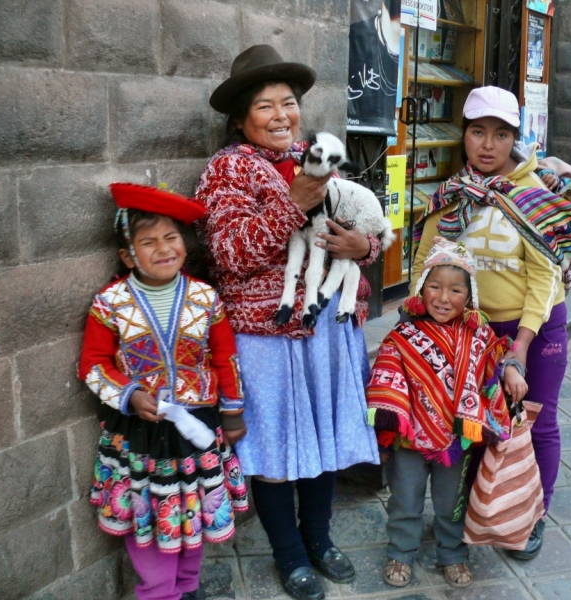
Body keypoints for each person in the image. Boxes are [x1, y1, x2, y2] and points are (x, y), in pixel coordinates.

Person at [411, 85, 571, 561]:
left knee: (537, 421)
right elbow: (425, 262)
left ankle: (535, 514)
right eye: (478, 132)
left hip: (534, 328)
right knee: (475, 424)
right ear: (465, 135)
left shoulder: (532, 196)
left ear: (514, 139)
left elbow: (543, 277)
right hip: (472, 331)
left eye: (501, 134)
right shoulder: (452, 195)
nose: (488, 144)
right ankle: (477, 508)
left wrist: (519, 345)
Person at [195, 45, 381, 600]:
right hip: (264, 335)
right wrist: (293, 201)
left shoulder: (318, 154)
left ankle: (319, 538)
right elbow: (228, 253)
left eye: (290, 103)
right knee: (275, 445)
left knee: (322, 435)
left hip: (325, 326)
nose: (282, 115)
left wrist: (363, 246)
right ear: (240, 119)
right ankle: (290, 553)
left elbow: (366, 224)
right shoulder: (227, 170)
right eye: (265, 106)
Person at [78, 183, 249, 600]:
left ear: (184, 245)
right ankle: (158, 592)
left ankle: (187, 587)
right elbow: (92, 365)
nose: (163, 248)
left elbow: (226, 358)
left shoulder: (206, 299)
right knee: (150, 516)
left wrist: (232, 412)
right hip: (141, 432)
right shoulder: (111, 303)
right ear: (127, 255)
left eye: (171, 238)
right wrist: (131, 395)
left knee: (193, 512)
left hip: (197, 426)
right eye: (148, 242)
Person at [366, 238, 522, 588]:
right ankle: (400, 552)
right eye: (434, 287)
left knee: (452, 501)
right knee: (405, 498)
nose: (443, 297)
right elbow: (387, 371)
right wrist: (391, 412)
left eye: (454, 290)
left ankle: (452, 553)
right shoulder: (403, 335)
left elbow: (492, 369)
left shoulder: (478, 336)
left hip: (456, 440)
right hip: (410, 439)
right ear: (421, 291)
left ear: (469, 297)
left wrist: (510, 370)